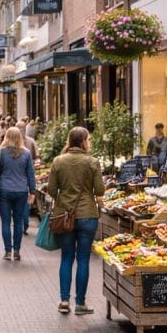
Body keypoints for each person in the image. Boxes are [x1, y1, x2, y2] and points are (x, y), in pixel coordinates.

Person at [47, 128, 105, 315]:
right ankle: (80, 303)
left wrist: (63, 199)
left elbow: (51, 190)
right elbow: (100, 190)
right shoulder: (92, 162)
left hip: (65, 216)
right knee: (83, 260)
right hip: (87, 215)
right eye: (89, 139)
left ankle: (64, 300)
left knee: (66, 258)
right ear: (83, 141)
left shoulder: (58, 161)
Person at [0, 127, 35, 260]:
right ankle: (17, 251)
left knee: (6, 222)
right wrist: (32, 191)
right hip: (21, 191)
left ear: (6, 137)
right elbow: (30, 174)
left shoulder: (0, 152)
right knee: (18, 222)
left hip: (5, 190)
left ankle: (8, 251)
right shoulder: (26, 154)